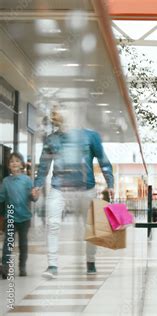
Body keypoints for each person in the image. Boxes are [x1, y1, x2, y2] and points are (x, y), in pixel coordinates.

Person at [34, 104, 114, 279]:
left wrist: (111, 183)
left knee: (90, 227)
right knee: (53, 224)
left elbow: (103, 161)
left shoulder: (91, 136)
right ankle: (52, 265)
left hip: (86, 188)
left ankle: (90, 261)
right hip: (59, 187)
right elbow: (43, 166)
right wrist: (37, 185)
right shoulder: (51, 139)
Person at [0, 153, 39, 278]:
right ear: (9, 166)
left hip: (24, 217)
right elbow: (1, 197)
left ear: (21, 164)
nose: (14, 163)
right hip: (10, 216)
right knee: (8, 243)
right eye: (11, 162)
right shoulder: (6, 182)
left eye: (17, 161)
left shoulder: (27, 180)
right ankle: (4, 267)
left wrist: (34, 195)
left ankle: (22, 266)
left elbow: (33, 198)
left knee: (23, 243)